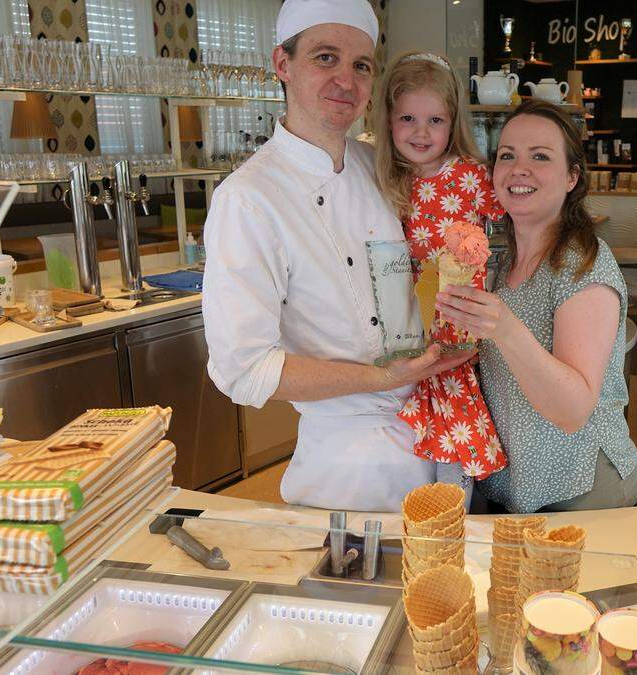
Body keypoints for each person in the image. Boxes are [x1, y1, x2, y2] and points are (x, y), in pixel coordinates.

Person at [201, 0, 471, 511]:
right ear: (283, 64)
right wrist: (383, 378)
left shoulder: (382, 166)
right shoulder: (249, 198)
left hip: (437, 434)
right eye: (326, 58)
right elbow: (243, 369)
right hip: (349, 467)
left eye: (361, 65)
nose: (346, 81)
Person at [436, 100, 637, 513]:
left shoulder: (583, 265)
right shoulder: (499, 262)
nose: (519, 169)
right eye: (507, 156)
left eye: (540, 156)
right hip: (510, 488)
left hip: (582, 491)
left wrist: (506, 329)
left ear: (572, 177)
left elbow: (572, 411)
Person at [371, 50, 509, 495]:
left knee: (458, 418)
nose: (421, 132)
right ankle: (435, 512)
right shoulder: (390, 180)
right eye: (408, 118)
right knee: (420, 428)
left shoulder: (471, 176)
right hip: (410, 325)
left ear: (453, 123)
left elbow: (518, 219)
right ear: (389, 120)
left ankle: (453, 513)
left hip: (460, 321)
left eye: (435, 120)